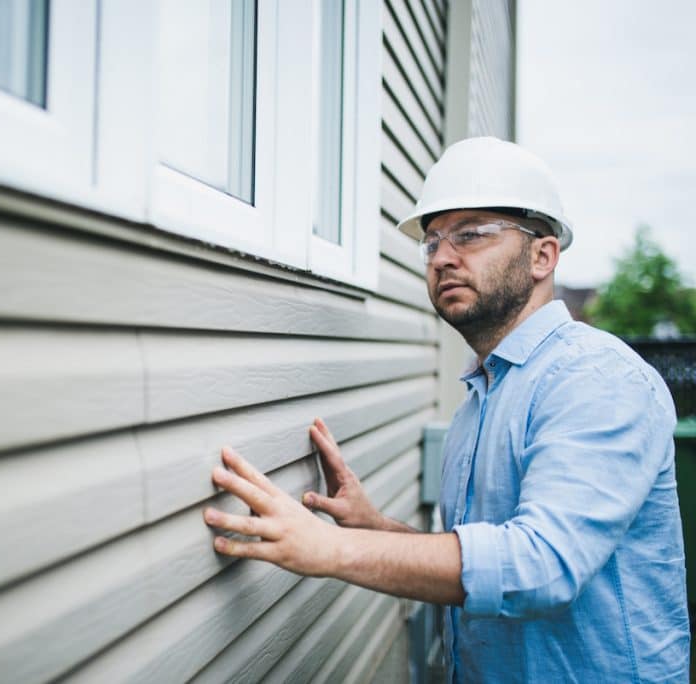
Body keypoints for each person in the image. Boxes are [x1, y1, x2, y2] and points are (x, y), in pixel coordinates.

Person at [203, 137, 689, 682]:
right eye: (432, 242)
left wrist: (334, 547)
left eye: (472, 234)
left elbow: (539, 565)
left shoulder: (595, 379)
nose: (443, 258)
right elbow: (480, 564)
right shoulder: (482, 399)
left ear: (543, 255)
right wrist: (375, 528)